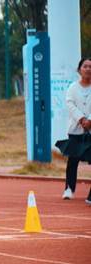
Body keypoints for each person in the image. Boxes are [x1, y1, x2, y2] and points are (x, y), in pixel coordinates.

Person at [55, 57, 91, 203]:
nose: (88, 69)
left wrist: (90, 120)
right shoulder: (72, 88)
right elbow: (70, 104)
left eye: (90, 66)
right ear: (79, 69)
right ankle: (69, 188)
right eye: (85, 66)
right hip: (76, 130)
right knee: (73, 160)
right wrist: (82, 119)